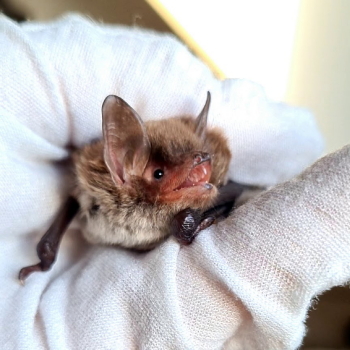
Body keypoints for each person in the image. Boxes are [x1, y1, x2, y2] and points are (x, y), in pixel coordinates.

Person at [0, 14, 349, 350]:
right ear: (123, 169)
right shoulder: (99, 192)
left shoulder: (191, 206)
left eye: (197, 167)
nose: (194, 177)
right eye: (159, 174)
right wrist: (46, 256)